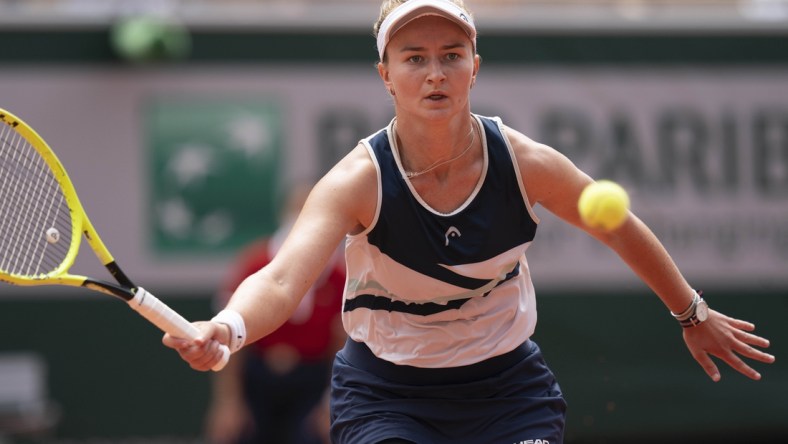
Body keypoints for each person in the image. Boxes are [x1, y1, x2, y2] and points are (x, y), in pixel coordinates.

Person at [163, 1, 776, 443]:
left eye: (451, 56)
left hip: (507, 391)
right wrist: (229, 327)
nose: (435, 72)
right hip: (387, 397)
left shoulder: (525, 162)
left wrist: (690, 312)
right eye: (414, 57)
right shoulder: (358, 180)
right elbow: (279, 281)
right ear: (386, 76)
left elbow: (616, 226)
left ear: (474, 68)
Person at [204, 184, 345, 444]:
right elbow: (231, 342)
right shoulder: (255, 264)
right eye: (297, 211)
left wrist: (331, 403)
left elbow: (341, 344)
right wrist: (228, 402)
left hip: (310, 383)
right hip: (257, 380)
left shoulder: (339, 277)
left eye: (311, 211)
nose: (303, 220)